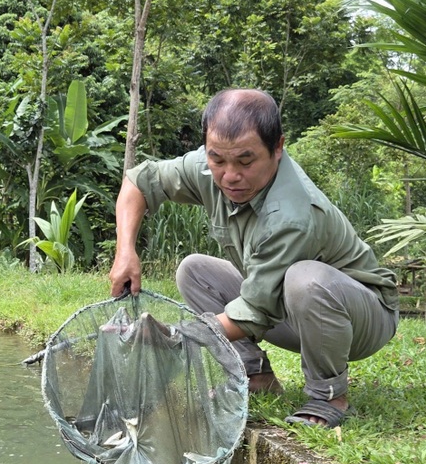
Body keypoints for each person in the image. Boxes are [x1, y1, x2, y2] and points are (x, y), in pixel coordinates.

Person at [108, 88, 399, 428]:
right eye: (218, 160)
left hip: (361, 318)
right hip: (289, 311)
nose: (230, 175)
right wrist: (125, 250)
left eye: (246, 161)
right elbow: (139, 181)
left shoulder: (291, 213)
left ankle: (328, 395)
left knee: (305, 279)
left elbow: (252, 314)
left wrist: (174, 335)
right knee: (194, 270)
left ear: (277, 148)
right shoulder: (207, 167)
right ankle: (254, 374)